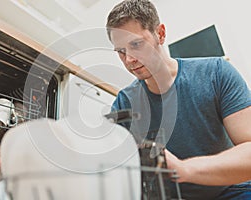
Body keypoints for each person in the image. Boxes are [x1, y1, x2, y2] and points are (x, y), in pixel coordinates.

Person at [106, 0, 251, 199]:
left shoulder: (216, 73)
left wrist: (184, 169)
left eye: (136, 44)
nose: (129, 59)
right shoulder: (125, 103)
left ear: (161, 34)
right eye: (121, 51)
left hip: (233, 192)